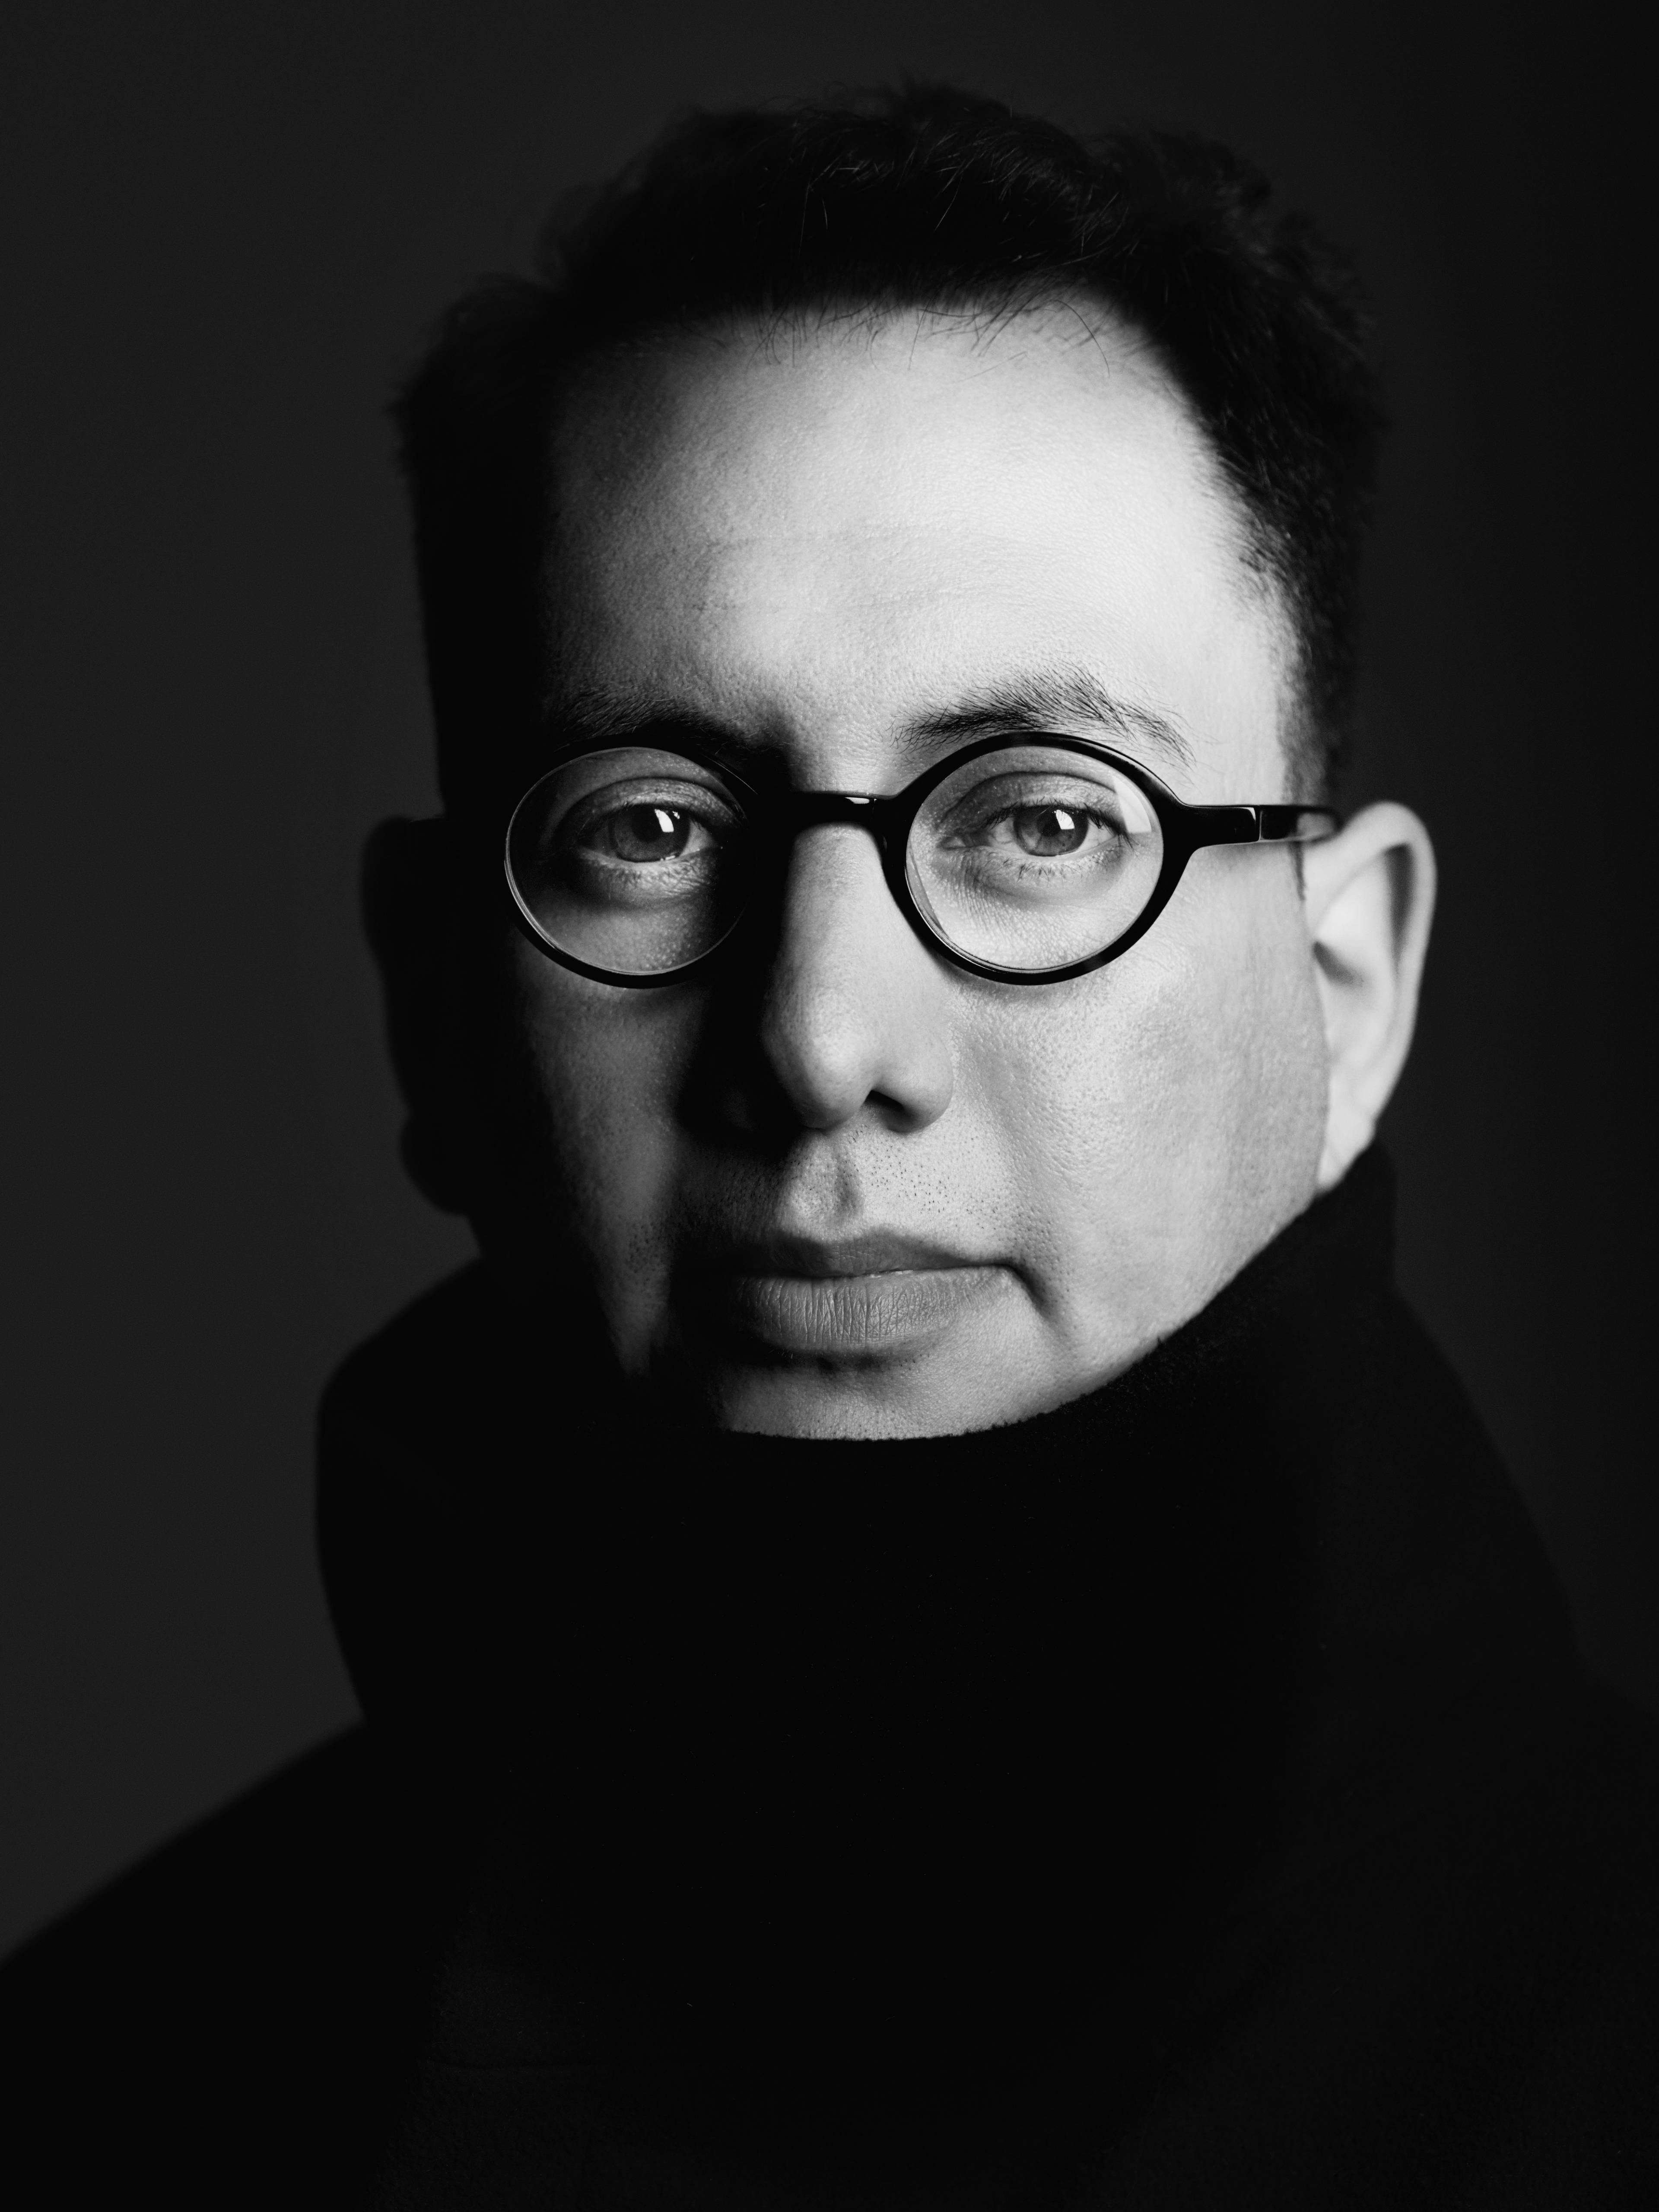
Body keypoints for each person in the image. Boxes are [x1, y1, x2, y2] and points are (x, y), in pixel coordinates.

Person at [3, 84, 1656, 2210]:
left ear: (1346, 991)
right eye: (651, 828)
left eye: (1044, 819)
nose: (817, 1039)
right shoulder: (91, 2096)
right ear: (433, 1006)